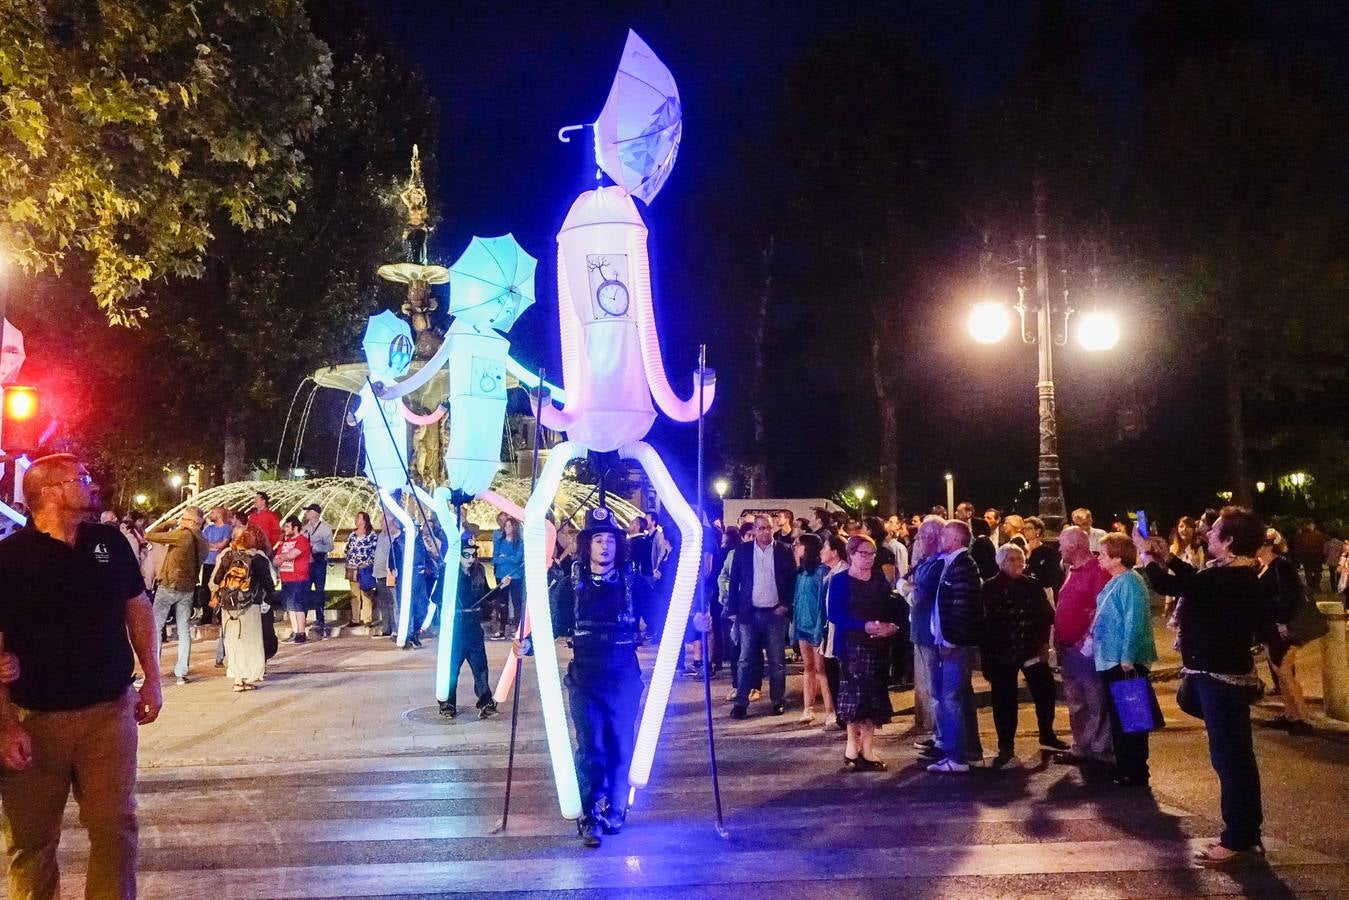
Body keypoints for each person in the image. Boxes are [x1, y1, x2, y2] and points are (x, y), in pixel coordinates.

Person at [0, 453, 162, 898]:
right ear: (50, 492)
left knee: (115, 826)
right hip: (34, 720)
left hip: (108, 712)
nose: (90, 483)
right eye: (81, 477)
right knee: (31, 839)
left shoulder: (107, 541)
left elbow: (138, 608)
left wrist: (152, 677)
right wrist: (6, 724)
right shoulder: (10, 559)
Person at [1140, 507, 1267, 867]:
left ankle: (1238, 836)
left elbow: (1173, 586)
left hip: (1219, 679)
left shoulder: (1229, 579)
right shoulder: (1232, 575)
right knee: (1237, 757)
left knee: (1230, 760)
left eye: (1214, 532)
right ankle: (1247, 831)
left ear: (1228, 541)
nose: (1207, 535)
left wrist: (1147, 556)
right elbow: (1194, 581)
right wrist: (1168, 558)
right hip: (1219, 678)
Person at [559, 507, 660, 848]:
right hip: (585, 677)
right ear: (587, 544)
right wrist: (525, 644)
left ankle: (616, 807)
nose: (605, 546)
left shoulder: (634, 583)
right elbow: (550, 625)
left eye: (611, 540)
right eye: (598, 539)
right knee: (590, 747)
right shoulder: (569, 585)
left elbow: (663, 622)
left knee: (620, 745)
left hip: (623, 678)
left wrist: (695, 628)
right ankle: (590, 813)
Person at [980, 544, 1063, 767]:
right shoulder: (989, 588)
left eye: (1020, 559)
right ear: (1001, 562)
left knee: (1045, 690)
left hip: (1031, 648)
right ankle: (1005, 743)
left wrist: (1045, 643)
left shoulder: (1032, 584)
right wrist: (987, 658)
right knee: (1004, 698)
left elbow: (1045, 615)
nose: (1018, 563)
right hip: (1002, 652)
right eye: (1012, 559)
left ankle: (1047, 732)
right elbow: (984, 625)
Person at [1092, 533, 1159, 787]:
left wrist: (1128, 656)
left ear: (1118, 558)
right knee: (1121, 717)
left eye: (1103, 553)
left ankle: (1135, 769)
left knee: (1131, 717)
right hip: (1112, 659)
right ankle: (1125, 766)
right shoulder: (1117, 581)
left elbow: (1135, 621)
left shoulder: (1130, 582)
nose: (1099, 558)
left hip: (1123, 661)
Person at [828, 534, 900, 770]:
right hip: (851, 645)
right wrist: (863, 626)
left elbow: (889, 607)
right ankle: (852, 747)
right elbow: (834, 614)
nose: (868, 558)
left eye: (872, 554)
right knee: (854, 698)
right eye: (863, 554)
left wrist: (890, 627)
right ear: (851, 554)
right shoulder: (840, 580)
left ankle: (867, 748)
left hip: (877, 645)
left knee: (873, 697)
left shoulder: (878, 578)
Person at [926, 520, 985, 774]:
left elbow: (962, 607)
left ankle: (957, 756)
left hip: (956, 644)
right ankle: (965, 752)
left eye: (945, 535)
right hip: (952, 641)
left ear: (957, 540)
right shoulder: (955, 563)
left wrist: (950, 639)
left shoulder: (962, 566)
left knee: (952, 699)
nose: (940, 538)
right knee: (956, 698)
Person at [1053, 526, 1113, 772]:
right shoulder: (1072, 570)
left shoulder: (1097, 570)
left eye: (1061, 544)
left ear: (1073, 545)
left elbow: (1102, 607)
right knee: (1076, 702)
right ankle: (1082, 746)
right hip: (1068, 649)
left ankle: (1100, 749)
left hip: (1085, 650)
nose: (1058, 548)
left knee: (1095, 700)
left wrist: (1086, 639)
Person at [726, 515, 796, 719]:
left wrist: (785, 605)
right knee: (745, 659)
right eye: (762, 528)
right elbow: (734, 582)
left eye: (769, 528)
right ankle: (741, 702)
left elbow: (792, 580)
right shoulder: (743, 551)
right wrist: (733, 610)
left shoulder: (783, 550)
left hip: (775, 613)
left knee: (777, 660)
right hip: (749, 613)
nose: (766, 532)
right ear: (754, 530)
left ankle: (777, 700)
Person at [145, 506, 208, 685]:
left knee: (156, 628)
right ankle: (181, 671)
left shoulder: (182, 535)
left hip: (169, 585)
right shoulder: (202, 539)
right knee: (183, 629)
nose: (180, 521)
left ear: (190, 521)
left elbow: (149, 534)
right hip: (187, 588)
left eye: (183, 518)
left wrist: (166, 523)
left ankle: (153, 672)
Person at [1256, 530, 1311, 734]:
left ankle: (1302, 718)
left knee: (1286, 672)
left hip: (1283, 629)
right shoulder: (1264, 566)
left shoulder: (1281, 565)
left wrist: (1282, 621)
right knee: (1280, 672)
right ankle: (1290, 714)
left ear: (1269, 545)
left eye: (1258, 544)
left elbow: (1289, 595)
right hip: (1269, 628)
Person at [210, 528, 274, 691]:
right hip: (250, 606)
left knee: (233, 641)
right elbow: (269, 585)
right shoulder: (258, 559)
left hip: (229, 606)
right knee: (251, 641)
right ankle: (251, 674)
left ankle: (238, 678)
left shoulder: (228, 556)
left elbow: (216, 580)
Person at [442, 541, 497, 719]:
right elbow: (436, 597)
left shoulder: (479, 571)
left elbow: (487, 595)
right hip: (455, 626)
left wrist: (501, 586)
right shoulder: (450, 573)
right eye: (466, 555)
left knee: (480, 665)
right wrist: (446, 582)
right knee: (451, 668)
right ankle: (448, 703)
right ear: (458, 556)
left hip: (473, 625)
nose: (471, 559)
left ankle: (485, 701)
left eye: (473, 555)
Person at [792, 533, 831, 724]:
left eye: (799, 544)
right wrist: (795, 629)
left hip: (816, 628)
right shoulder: (801, 572)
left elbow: (822, 605)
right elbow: (797, 601)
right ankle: (807, 708)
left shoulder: (821, 572)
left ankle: (830, 710)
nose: (795, 547)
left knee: (821, 668)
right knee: (808, 667)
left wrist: (819, 630)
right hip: (802, 627)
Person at [817, 534, 849, 730]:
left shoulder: (842, 574)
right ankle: (840, 715)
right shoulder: (830, 573)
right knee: (831, 671)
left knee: (838, 673)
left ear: (835, 552)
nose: (821, 551)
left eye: (825, 547)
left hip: (838, 630)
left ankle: (843, 716)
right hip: (830, 630)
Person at [276, 516, 313, 643]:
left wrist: (283, 557)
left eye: (287, 526)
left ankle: (301, 632)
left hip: (299, 578)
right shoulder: (285, 543)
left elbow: (292, 554)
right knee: (290, 606)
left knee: (298, 605)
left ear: (295, 528)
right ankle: (295, 631)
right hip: (286, 578)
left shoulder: (302, 541)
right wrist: (283, 557)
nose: (284, 529)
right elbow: (276, 560)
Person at [300, 504, 334, 637]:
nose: (307, 513)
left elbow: (330, 546)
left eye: (309, 511)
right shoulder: (305, 528)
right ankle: (304, 618)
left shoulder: (325, 528)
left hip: (319, 562)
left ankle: (320, 619)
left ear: (315, 513)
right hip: (307, 563)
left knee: (319, 591)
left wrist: (316, 547)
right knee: (305, 591)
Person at [491, 516, 525, 639]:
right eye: (506, 526)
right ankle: (501, 629)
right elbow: (494, 558)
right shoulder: (499, 542)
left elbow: (517, 559)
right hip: (502, 574)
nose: (507, 528)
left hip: (515, 575)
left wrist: (504, 557)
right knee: (502, 603)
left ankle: (517, 628)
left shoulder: (519, 543)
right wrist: (506, 558)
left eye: (509, 526)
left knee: (516, 602)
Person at [199, 506, 233, 626]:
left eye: (213, 512)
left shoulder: (227, 528)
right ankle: (206, 616)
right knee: (205, 589)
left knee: (220, 588)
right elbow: (202, 543)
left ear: (219, 515)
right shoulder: (209, 528)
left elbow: (222, 545)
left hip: (220, 564)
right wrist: (214, 546)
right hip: (208, 562)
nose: (210, 514)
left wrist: (212, 546)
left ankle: (220, 615)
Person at [344, 512, 379, 627]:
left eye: (358, 517)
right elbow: (347, 549)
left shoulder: (372, 535)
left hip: (365, 568)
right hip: (353, 567)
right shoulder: (352, 535)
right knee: (354, 594)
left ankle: (367, 619)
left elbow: (375, 551)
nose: (355, 519)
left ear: (364, 520)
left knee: (366, 593)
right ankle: (355, 619)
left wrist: (368, 563)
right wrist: (348, 561)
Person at [1022, 516, 1062, 599]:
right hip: (1024, 589)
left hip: (1042, 590)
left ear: (1038, 530)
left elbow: (1051, 574)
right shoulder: (1021, 549)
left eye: (1029, 528)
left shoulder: (1047, 551)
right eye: (1024, 528)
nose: (1026, 531)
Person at [371, 509, 397, 638]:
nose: (381, 523)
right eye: (381, 521)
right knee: (383, 602)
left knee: (392, 602)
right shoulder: (381, 535)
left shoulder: (394, 537)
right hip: (380, 573)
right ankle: (386, 628)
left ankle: (395, 628)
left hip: (389, 574)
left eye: (384, 521)